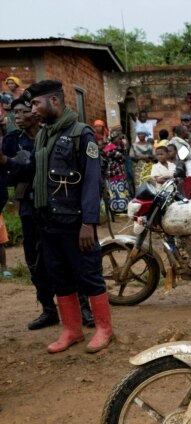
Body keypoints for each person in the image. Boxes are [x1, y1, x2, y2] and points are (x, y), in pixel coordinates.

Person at [25, 80, 113, 353]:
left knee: (89, 275)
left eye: (36, 103)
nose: (33, 110)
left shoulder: (81, 134)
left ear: (54, 101)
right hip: (47, 221)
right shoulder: (43, 135)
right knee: (59, 276)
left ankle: (103, 329)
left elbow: (91, 181)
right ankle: (72, 330)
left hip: (75, 223)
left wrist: (88, 222)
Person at [101, 130, 131, 214]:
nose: (120, 140)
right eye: (118, 138)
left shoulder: (117, 146)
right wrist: (122, 150)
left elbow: (125, 151)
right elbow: (122, 157)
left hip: (119, 171)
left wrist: (123, 142)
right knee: (117, 188)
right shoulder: (110, 148)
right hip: (114, 171)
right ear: (113, 139)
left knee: (121, 188)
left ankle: (123, 207)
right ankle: (118, 209)